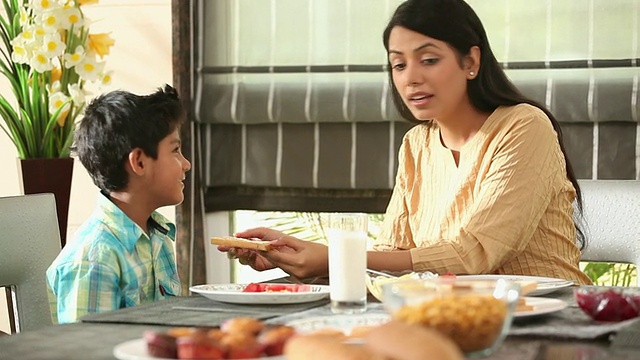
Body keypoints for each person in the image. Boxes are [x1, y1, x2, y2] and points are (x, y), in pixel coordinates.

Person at [218, 0, 592, 285]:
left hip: (552, 318)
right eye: (399, 65)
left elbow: (476, 254)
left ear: (471, 61)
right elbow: (390, 258)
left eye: (428, 59)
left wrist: (335, 257)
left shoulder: (524, 127)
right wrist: (292, 258)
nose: (411, 78)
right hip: (448, 320)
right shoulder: (418, 144)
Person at [46, 85, 192, 324]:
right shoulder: (93, 261)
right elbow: (88, 351)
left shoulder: (160, 237)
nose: (186, 164)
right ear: (139, 162)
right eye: (175, 150)